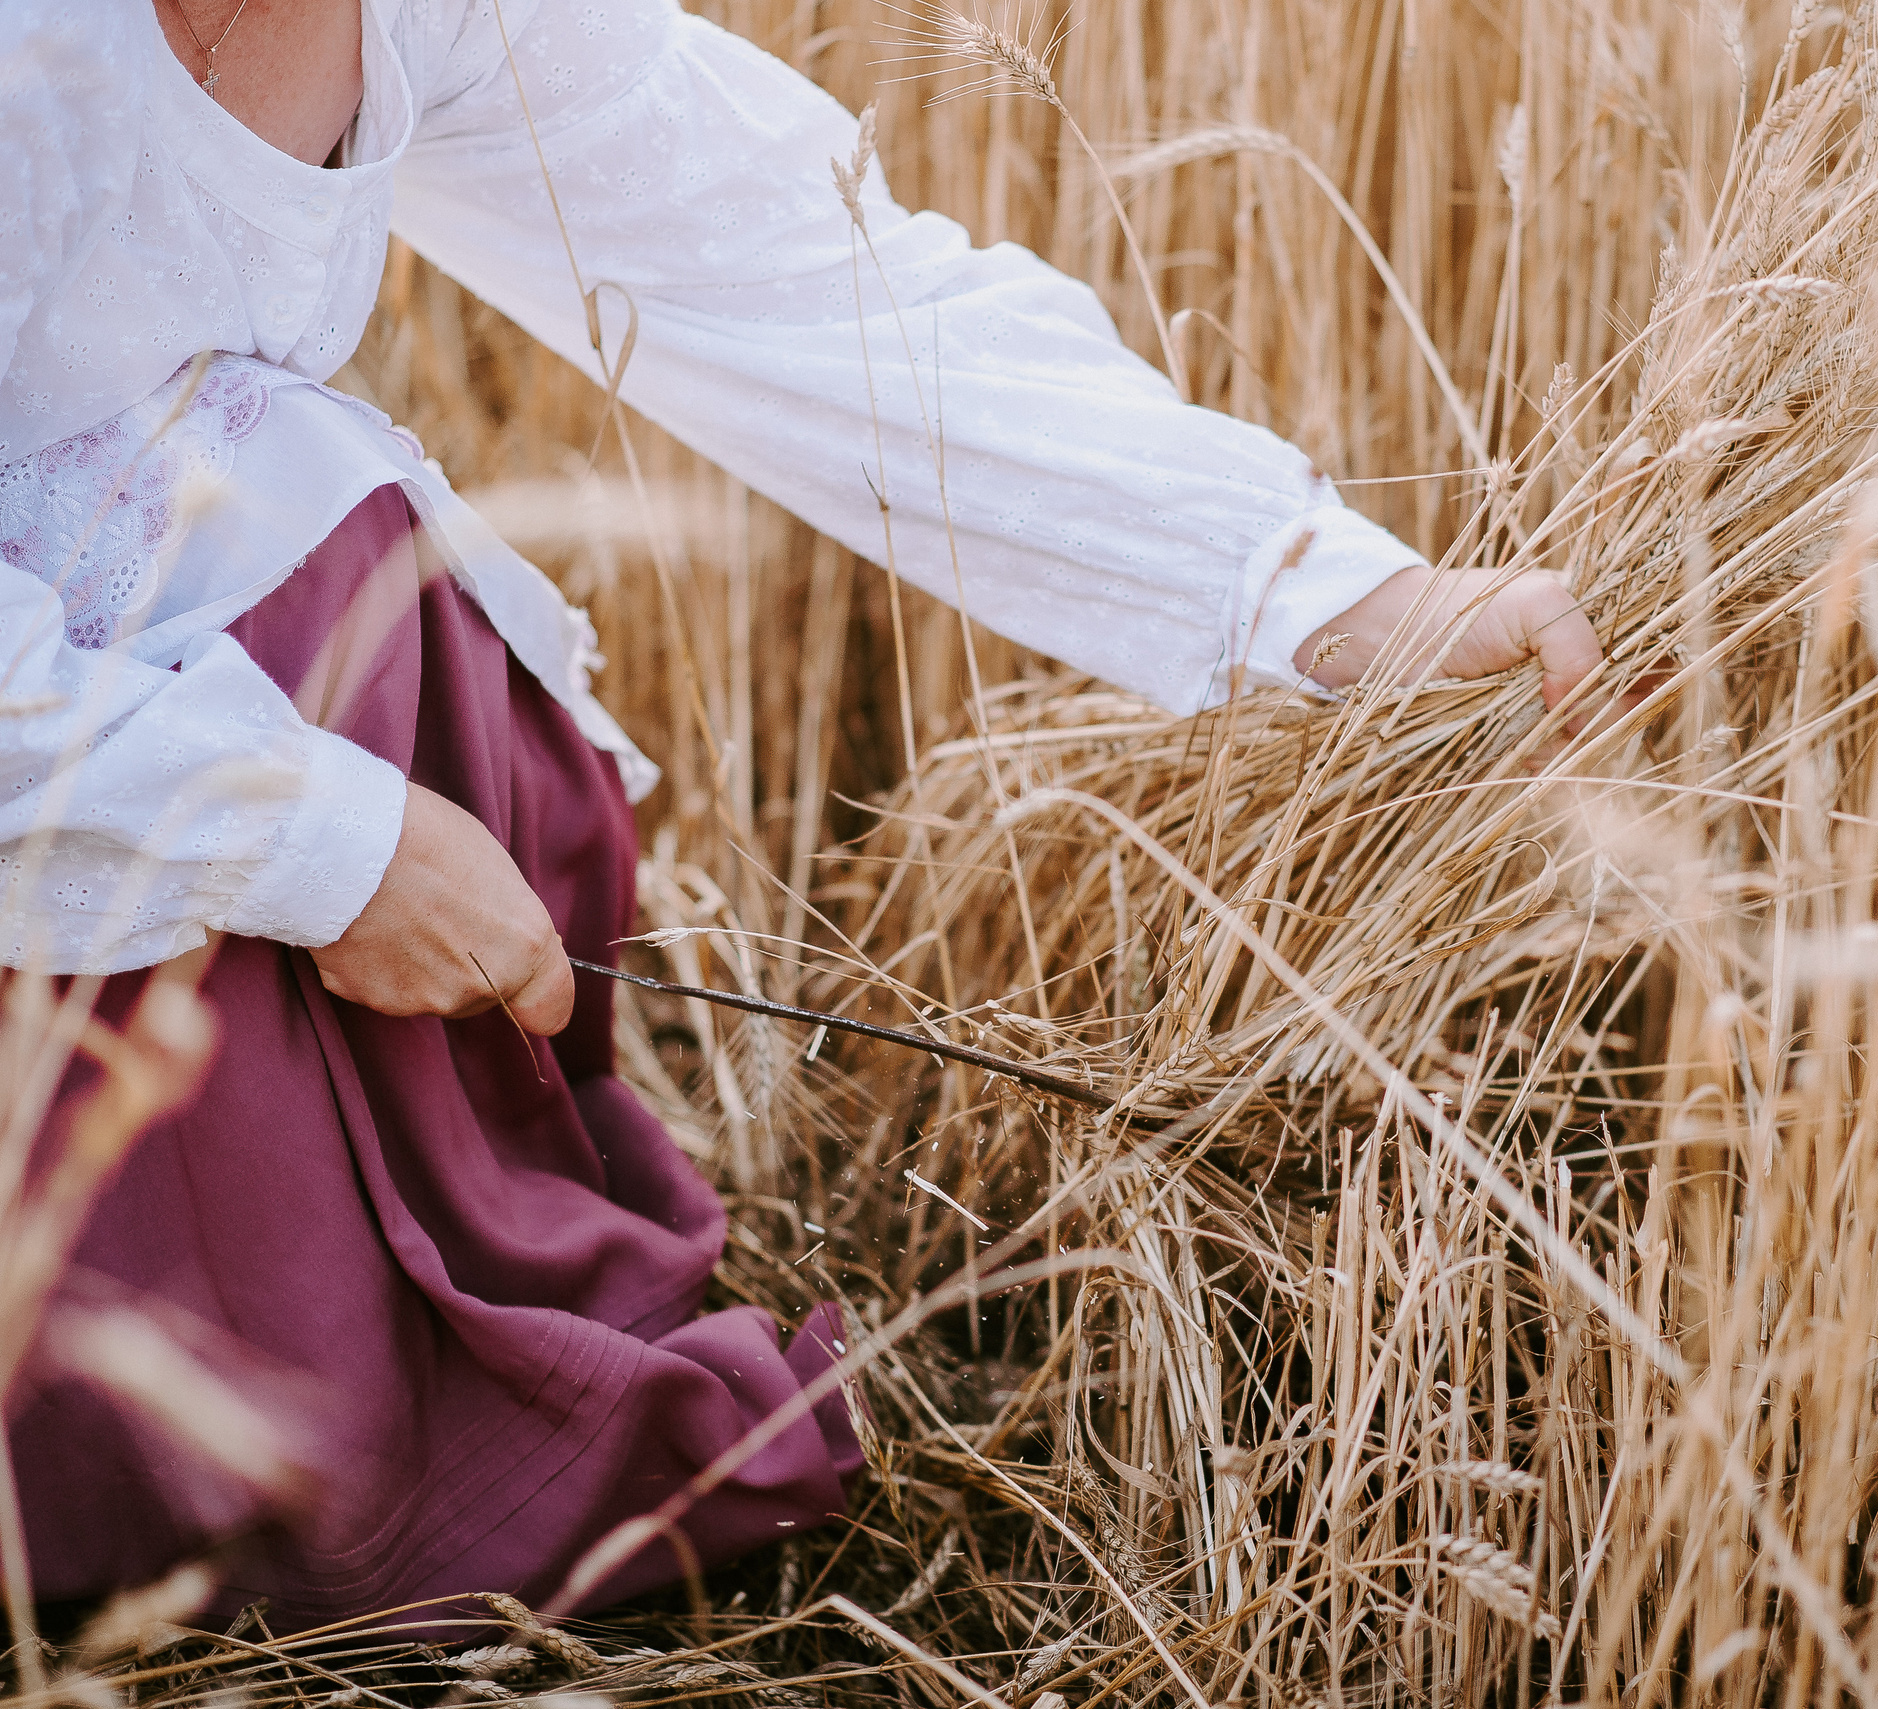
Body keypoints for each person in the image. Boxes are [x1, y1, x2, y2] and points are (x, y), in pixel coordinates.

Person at [0, 0, 1607, 1631]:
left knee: (361, 576)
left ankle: (314, 1365)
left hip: (128, 716)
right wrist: (328, 849)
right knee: (316, 579)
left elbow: (808, 273)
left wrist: (1323, 590)